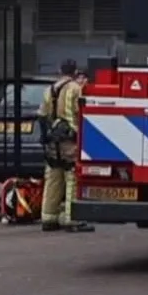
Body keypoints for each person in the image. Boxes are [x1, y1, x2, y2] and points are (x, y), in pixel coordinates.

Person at [37, 59, 93, 233]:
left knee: (53, 177)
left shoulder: (49, 90)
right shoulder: (76, 89)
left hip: (53, 139)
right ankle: (72, 219)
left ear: (60, 70)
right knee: (72, 176)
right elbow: (81, 111)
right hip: (70, 138)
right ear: (75, 71)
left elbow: (42, 115)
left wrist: (45, 136)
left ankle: (48, 217)